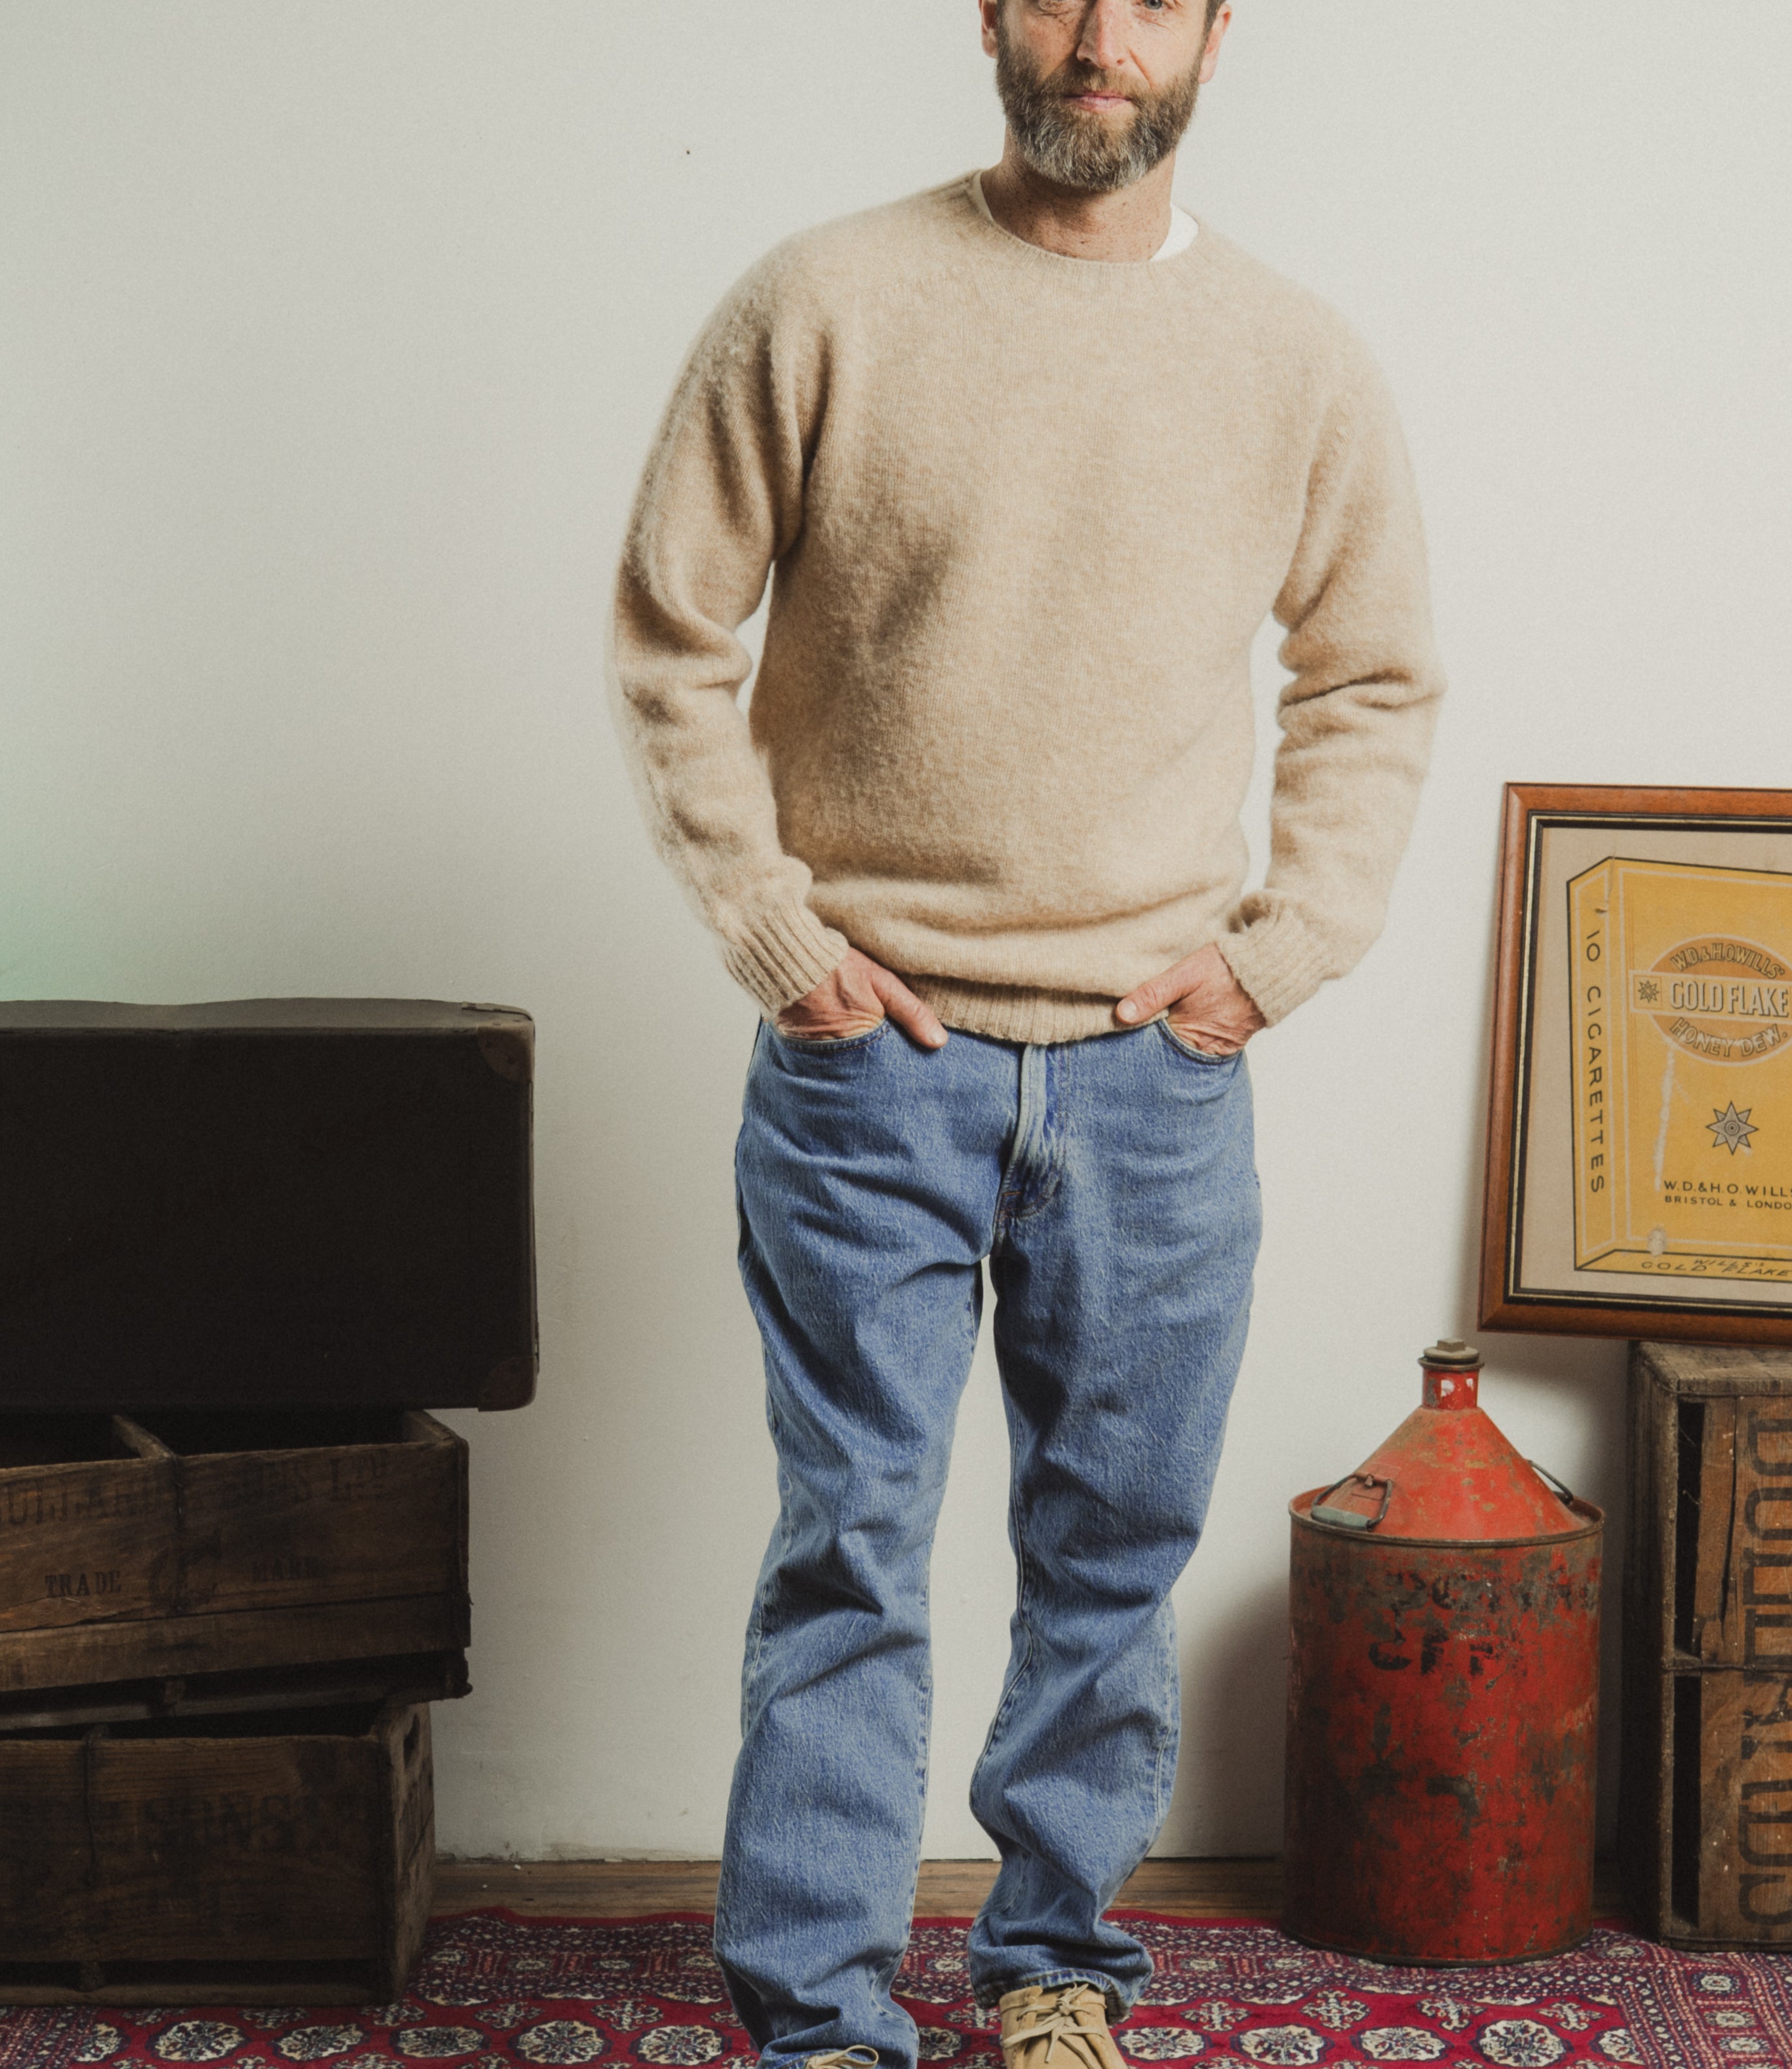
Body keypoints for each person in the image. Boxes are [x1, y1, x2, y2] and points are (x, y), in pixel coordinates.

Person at [609, 4, 1444, 2066]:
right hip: (865, 1062)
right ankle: (815, 2022)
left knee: (1111, 1567)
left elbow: (1374, 678)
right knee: (850, 1563)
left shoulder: (1298, 359)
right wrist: (767, 925)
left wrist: (1287, 947)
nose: (1097, 37)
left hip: (1158, 1076)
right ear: (991, 14)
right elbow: (667, 631)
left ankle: (1056, 1975)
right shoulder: (820, 301)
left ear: (1214, 36)